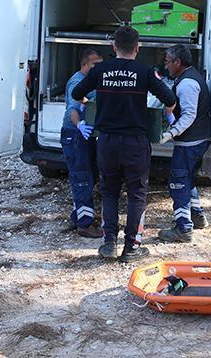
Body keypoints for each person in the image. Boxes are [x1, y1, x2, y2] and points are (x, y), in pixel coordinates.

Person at [72, 26, 176, 262]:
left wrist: (90, 103)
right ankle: (131, 248)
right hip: (135, 143)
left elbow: (77, 93)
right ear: (137, 49)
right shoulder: (145, 71)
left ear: (113, 47)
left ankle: (109, 243)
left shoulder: (100, 70)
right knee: (137, 194)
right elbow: (169, 99)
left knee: (109, 191)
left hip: (107, 141)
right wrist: (168, 117)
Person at [157, 44, 211, 243]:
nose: (166, 65)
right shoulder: (188, 77)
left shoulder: (187, 84)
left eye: (168, 61)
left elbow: (189, 115)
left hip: (190, 141)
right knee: (188, 179)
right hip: (197, 139)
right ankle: (197, 216)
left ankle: (183, 228)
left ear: (177, 62)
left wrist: (171, 132)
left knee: (178, 182)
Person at [61, 48, 103, 238]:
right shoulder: (77, 82)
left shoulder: (92, 81)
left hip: (86, 136)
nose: (99, 67)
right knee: (82, 178)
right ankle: (85, 225)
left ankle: (78, 216)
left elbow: (88, 100)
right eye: (95, 64)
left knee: (89, 176)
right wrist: (80, 125)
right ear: (85, 64)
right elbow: (73, 108)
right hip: (75, 135)